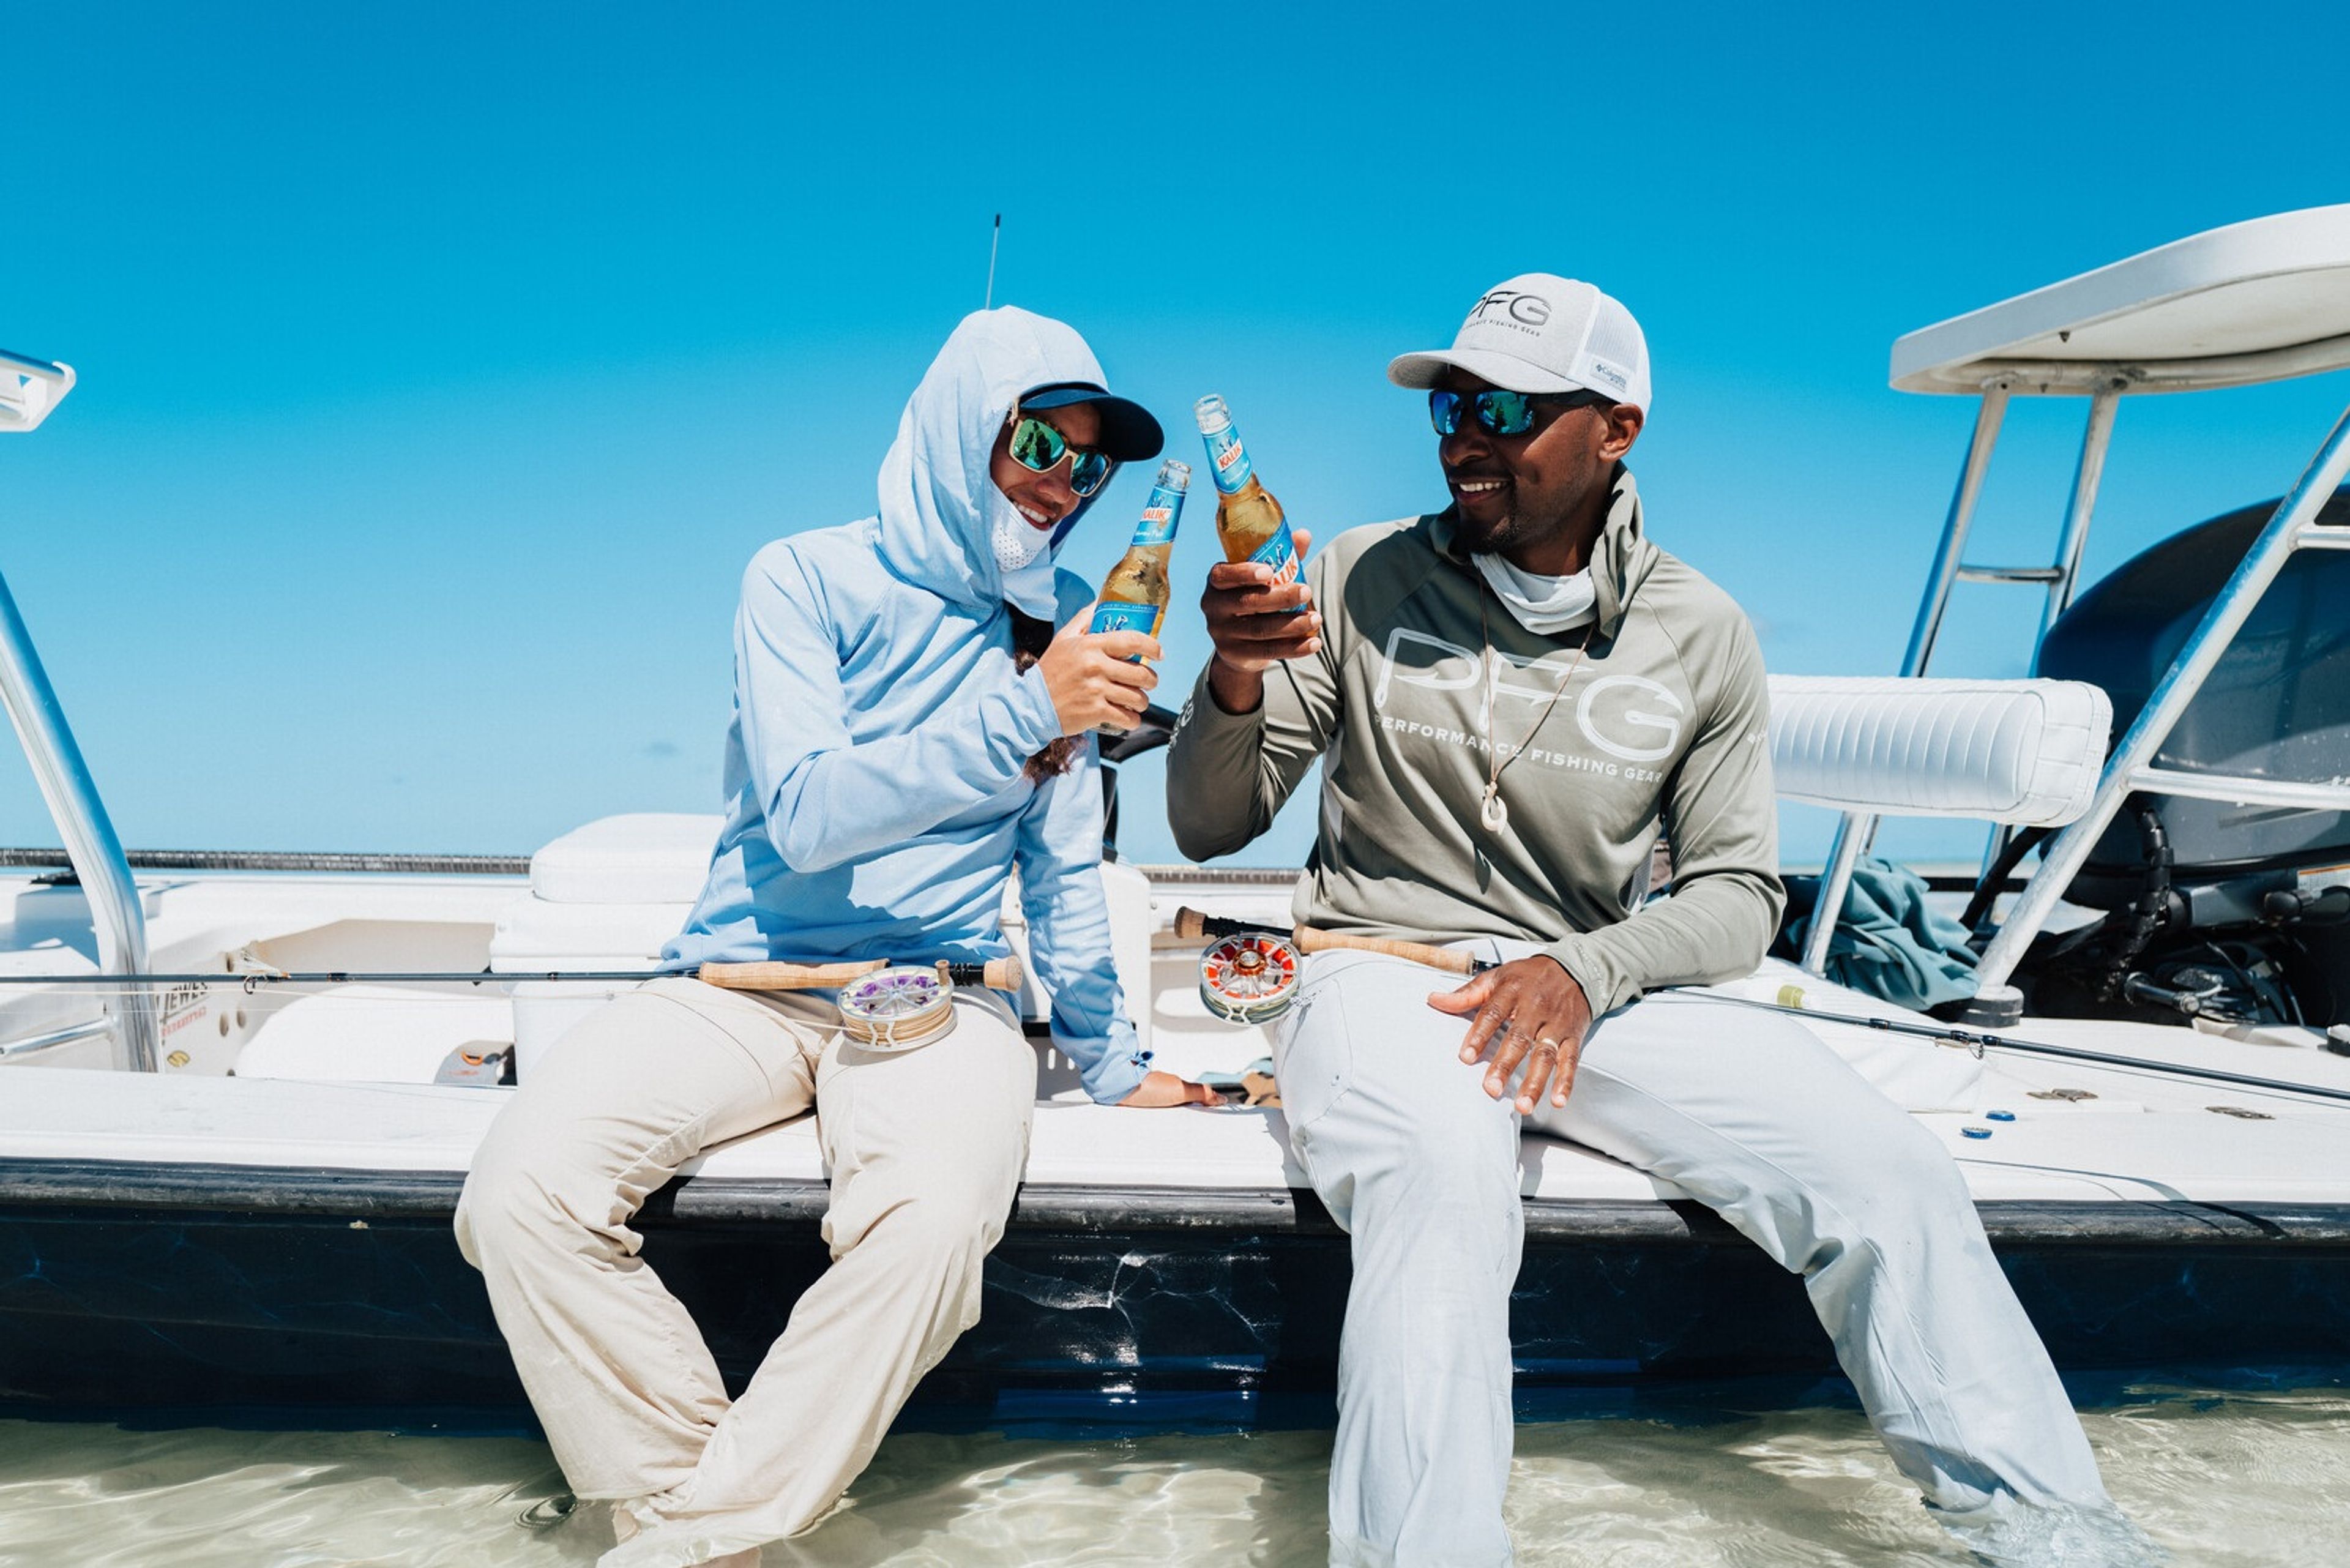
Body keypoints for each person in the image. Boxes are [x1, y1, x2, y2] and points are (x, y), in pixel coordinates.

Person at [1164, 275, 2136, 1566]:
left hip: (1593, 987)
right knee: (1444, 1179)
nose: (1466, 432)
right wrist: (1233, 673)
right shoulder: (1352, 576)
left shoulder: (1703, 631)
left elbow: (1739, 895)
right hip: (1377, 965)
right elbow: (1209, 825)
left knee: (1887, 1173)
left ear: (1616, 428)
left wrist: (1584, 972)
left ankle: (2055, 1535)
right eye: (1453, 402)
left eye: (1508, 406)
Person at [457, 306, 1214, 1567]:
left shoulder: (1074, 615)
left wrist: (1117, 1059)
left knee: (928, 1224)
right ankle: (719, 1530)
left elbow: (1064, 866)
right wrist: (1023, 712)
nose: (1064, 485)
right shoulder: (801, 577)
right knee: (521, 1197)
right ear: (964, 431)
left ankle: (686, 1538)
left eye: (1092, 465)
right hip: (741, 981)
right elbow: (807, 815)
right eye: (1040, 443)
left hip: (945, 993)